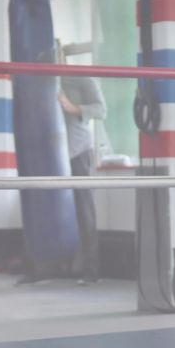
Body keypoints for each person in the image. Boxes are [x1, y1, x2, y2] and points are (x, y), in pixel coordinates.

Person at [57, 55, 107, 285]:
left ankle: (91, 269)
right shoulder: (42, 79)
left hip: (78, 150)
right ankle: (52, 265)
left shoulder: (80, 76)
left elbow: (101, 109)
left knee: (84, 208)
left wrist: (72, 107)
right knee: (53, 205)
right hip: (51, 151)